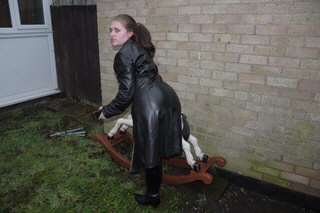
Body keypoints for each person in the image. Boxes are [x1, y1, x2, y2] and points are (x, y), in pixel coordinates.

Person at [98, 14, 182, 207]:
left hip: (151, 105)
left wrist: (107, 111)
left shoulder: (123, 55)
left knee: (151, 153)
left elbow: (126, 94)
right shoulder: (139, 48)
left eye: (117, 30)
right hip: (168, 98)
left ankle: (152, 197)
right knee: (155, 150)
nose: (112, 34)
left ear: (130, 33)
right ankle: (153, 193)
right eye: (110, 30)